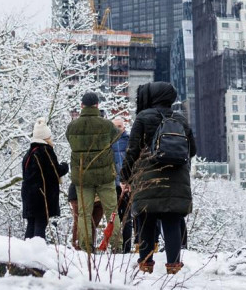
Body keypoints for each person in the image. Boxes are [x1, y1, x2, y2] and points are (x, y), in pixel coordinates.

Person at [122, 82, 196, 275]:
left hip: (148, 179)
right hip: (177, 179)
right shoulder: (181, 119)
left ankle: (145, 266)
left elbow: (132, 151)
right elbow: (193, 150)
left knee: (146, 220)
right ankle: (173, 268)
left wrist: (125, 177)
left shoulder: (143, 117)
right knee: (172, 222)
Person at [66, 92, 121, 252]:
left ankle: (86, 247)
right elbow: (115, 138)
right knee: (112, 212)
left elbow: (70, 141)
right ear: (97, 105)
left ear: (82, 106)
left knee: (84, 214)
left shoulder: (72, 126)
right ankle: (117, 246)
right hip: (105, 177)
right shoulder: (107, 125)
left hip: (82, 177)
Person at [21, 118, 69, 240]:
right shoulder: (45, 151)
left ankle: (26, 250)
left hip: (29, 194)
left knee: (31, 224)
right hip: (42, 195)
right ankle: (37, 251)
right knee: (40, 224)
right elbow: (54, 171)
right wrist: (64, 167)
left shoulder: (30, 152)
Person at [111, 115, 133, 253]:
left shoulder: (130, 141)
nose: (117, 129)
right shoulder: (107, 141)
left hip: (127, 183)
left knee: (127, 216)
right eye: (115, 126)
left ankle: (126, 248)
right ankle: (116, 246)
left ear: (124, 127)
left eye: (119, 126)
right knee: (114, 216)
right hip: (112, 184)